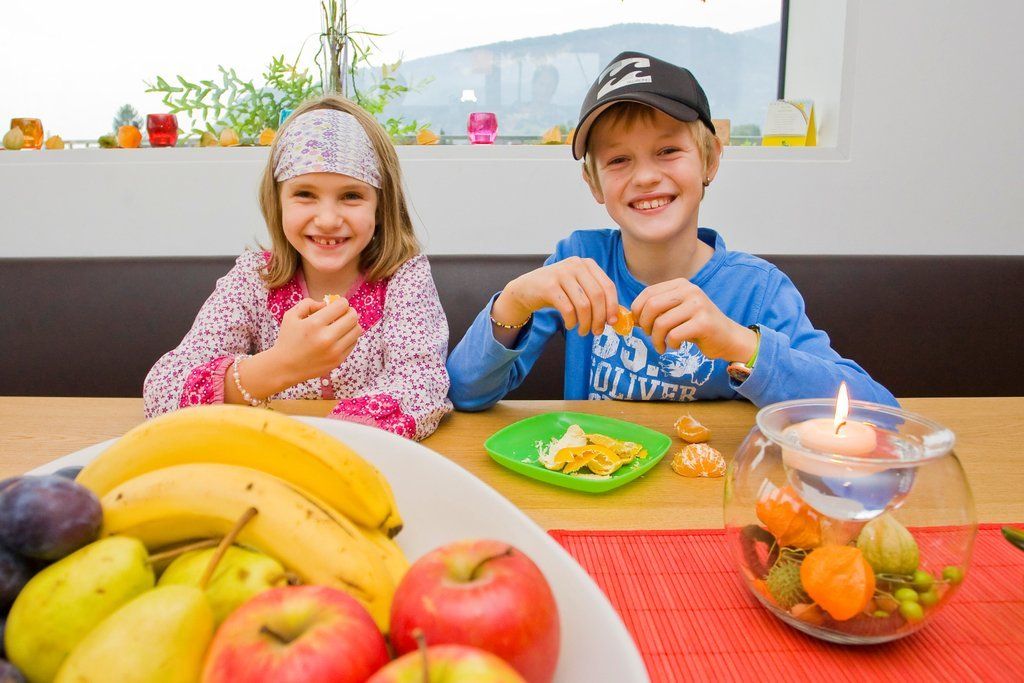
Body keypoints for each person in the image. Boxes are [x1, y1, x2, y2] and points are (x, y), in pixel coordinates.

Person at [447, 51, 896, 410]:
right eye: (618, 160)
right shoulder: (579, 259)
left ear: (710, 159)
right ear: (594, 183)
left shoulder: (757, 290)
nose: (645, 176)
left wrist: (738, 342)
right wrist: (516, 299)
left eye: (668, 151)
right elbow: (465, 393)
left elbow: (876, 411)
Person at [144, 95, 452, 439]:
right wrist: (282, 363)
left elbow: (422, 384)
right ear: (277, 202)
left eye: (351, 196)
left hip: (366, 459)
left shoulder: (404, 278)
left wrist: (328, 442)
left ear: (381, 206)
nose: (328, 220)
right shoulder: (253, 279)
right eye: (305, 194)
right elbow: (163, 392)